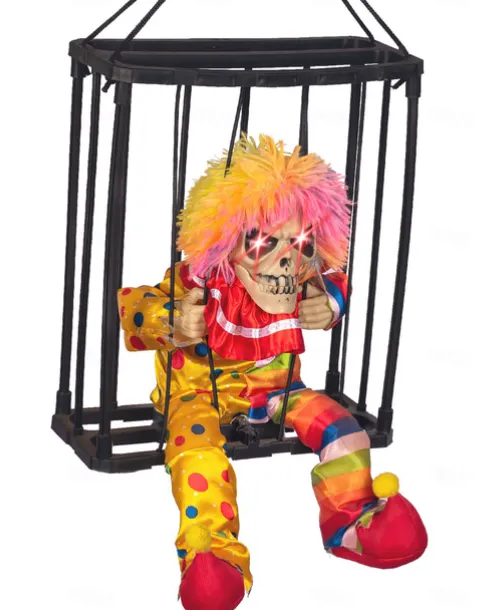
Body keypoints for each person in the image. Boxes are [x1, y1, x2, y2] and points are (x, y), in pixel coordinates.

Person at [118, 135, 427, 610]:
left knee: (345, 432)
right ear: (223, 238)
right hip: (198, 395)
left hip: (280, 389)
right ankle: (213, 555)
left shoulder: (303, 277)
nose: (286, 258)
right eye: (262, 241)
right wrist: (171, 320)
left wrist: (331, 304)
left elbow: (335, 283)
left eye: (300, 242)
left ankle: (352, 524)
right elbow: (133, 305)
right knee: (198, 458)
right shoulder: (196, 280)